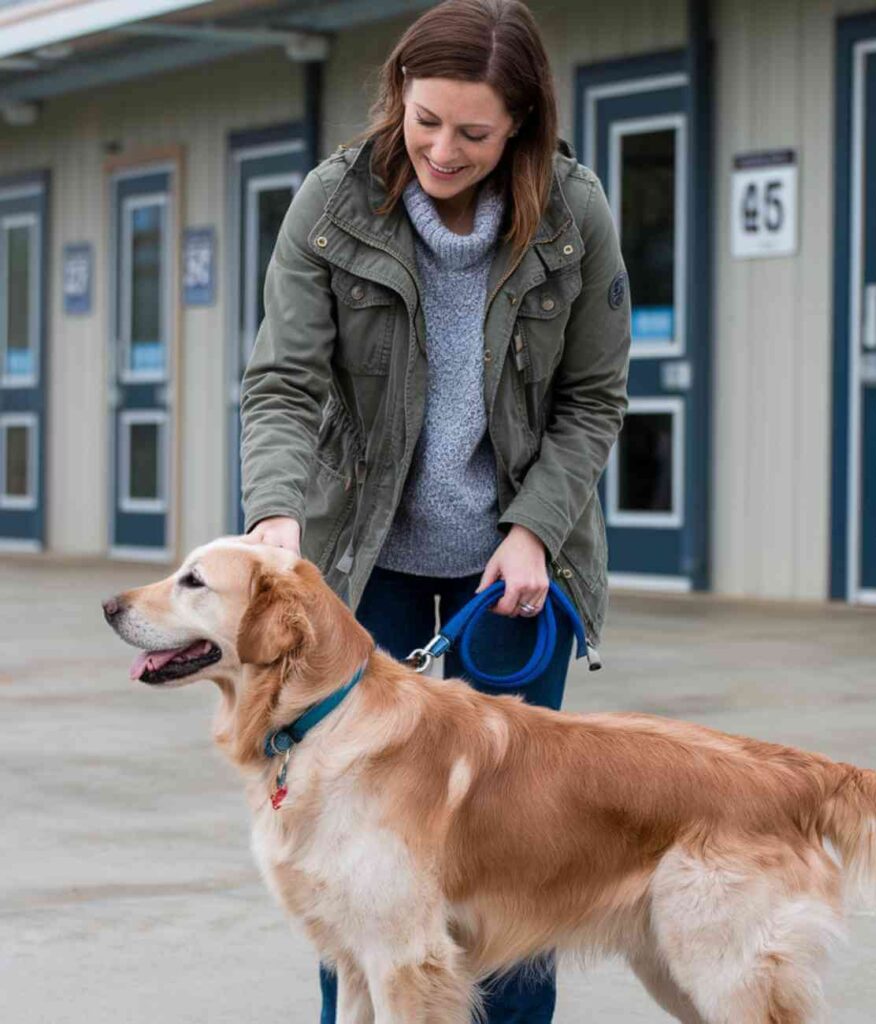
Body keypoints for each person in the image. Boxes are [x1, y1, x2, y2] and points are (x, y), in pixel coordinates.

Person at [239, 0, 631, 1019]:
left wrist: (535, 528)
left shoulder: (573, 214)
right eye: (423, 121)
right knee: (354, 859)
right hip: (363, 573)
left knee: (513, 860)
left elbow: (593, 397)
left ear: (521, 129)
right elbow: (281, 382)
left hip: (514, 575)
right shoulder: (333, 205)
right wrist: (278, 512)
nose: (441, 150)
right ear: (397, 99)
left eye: (472, 132)